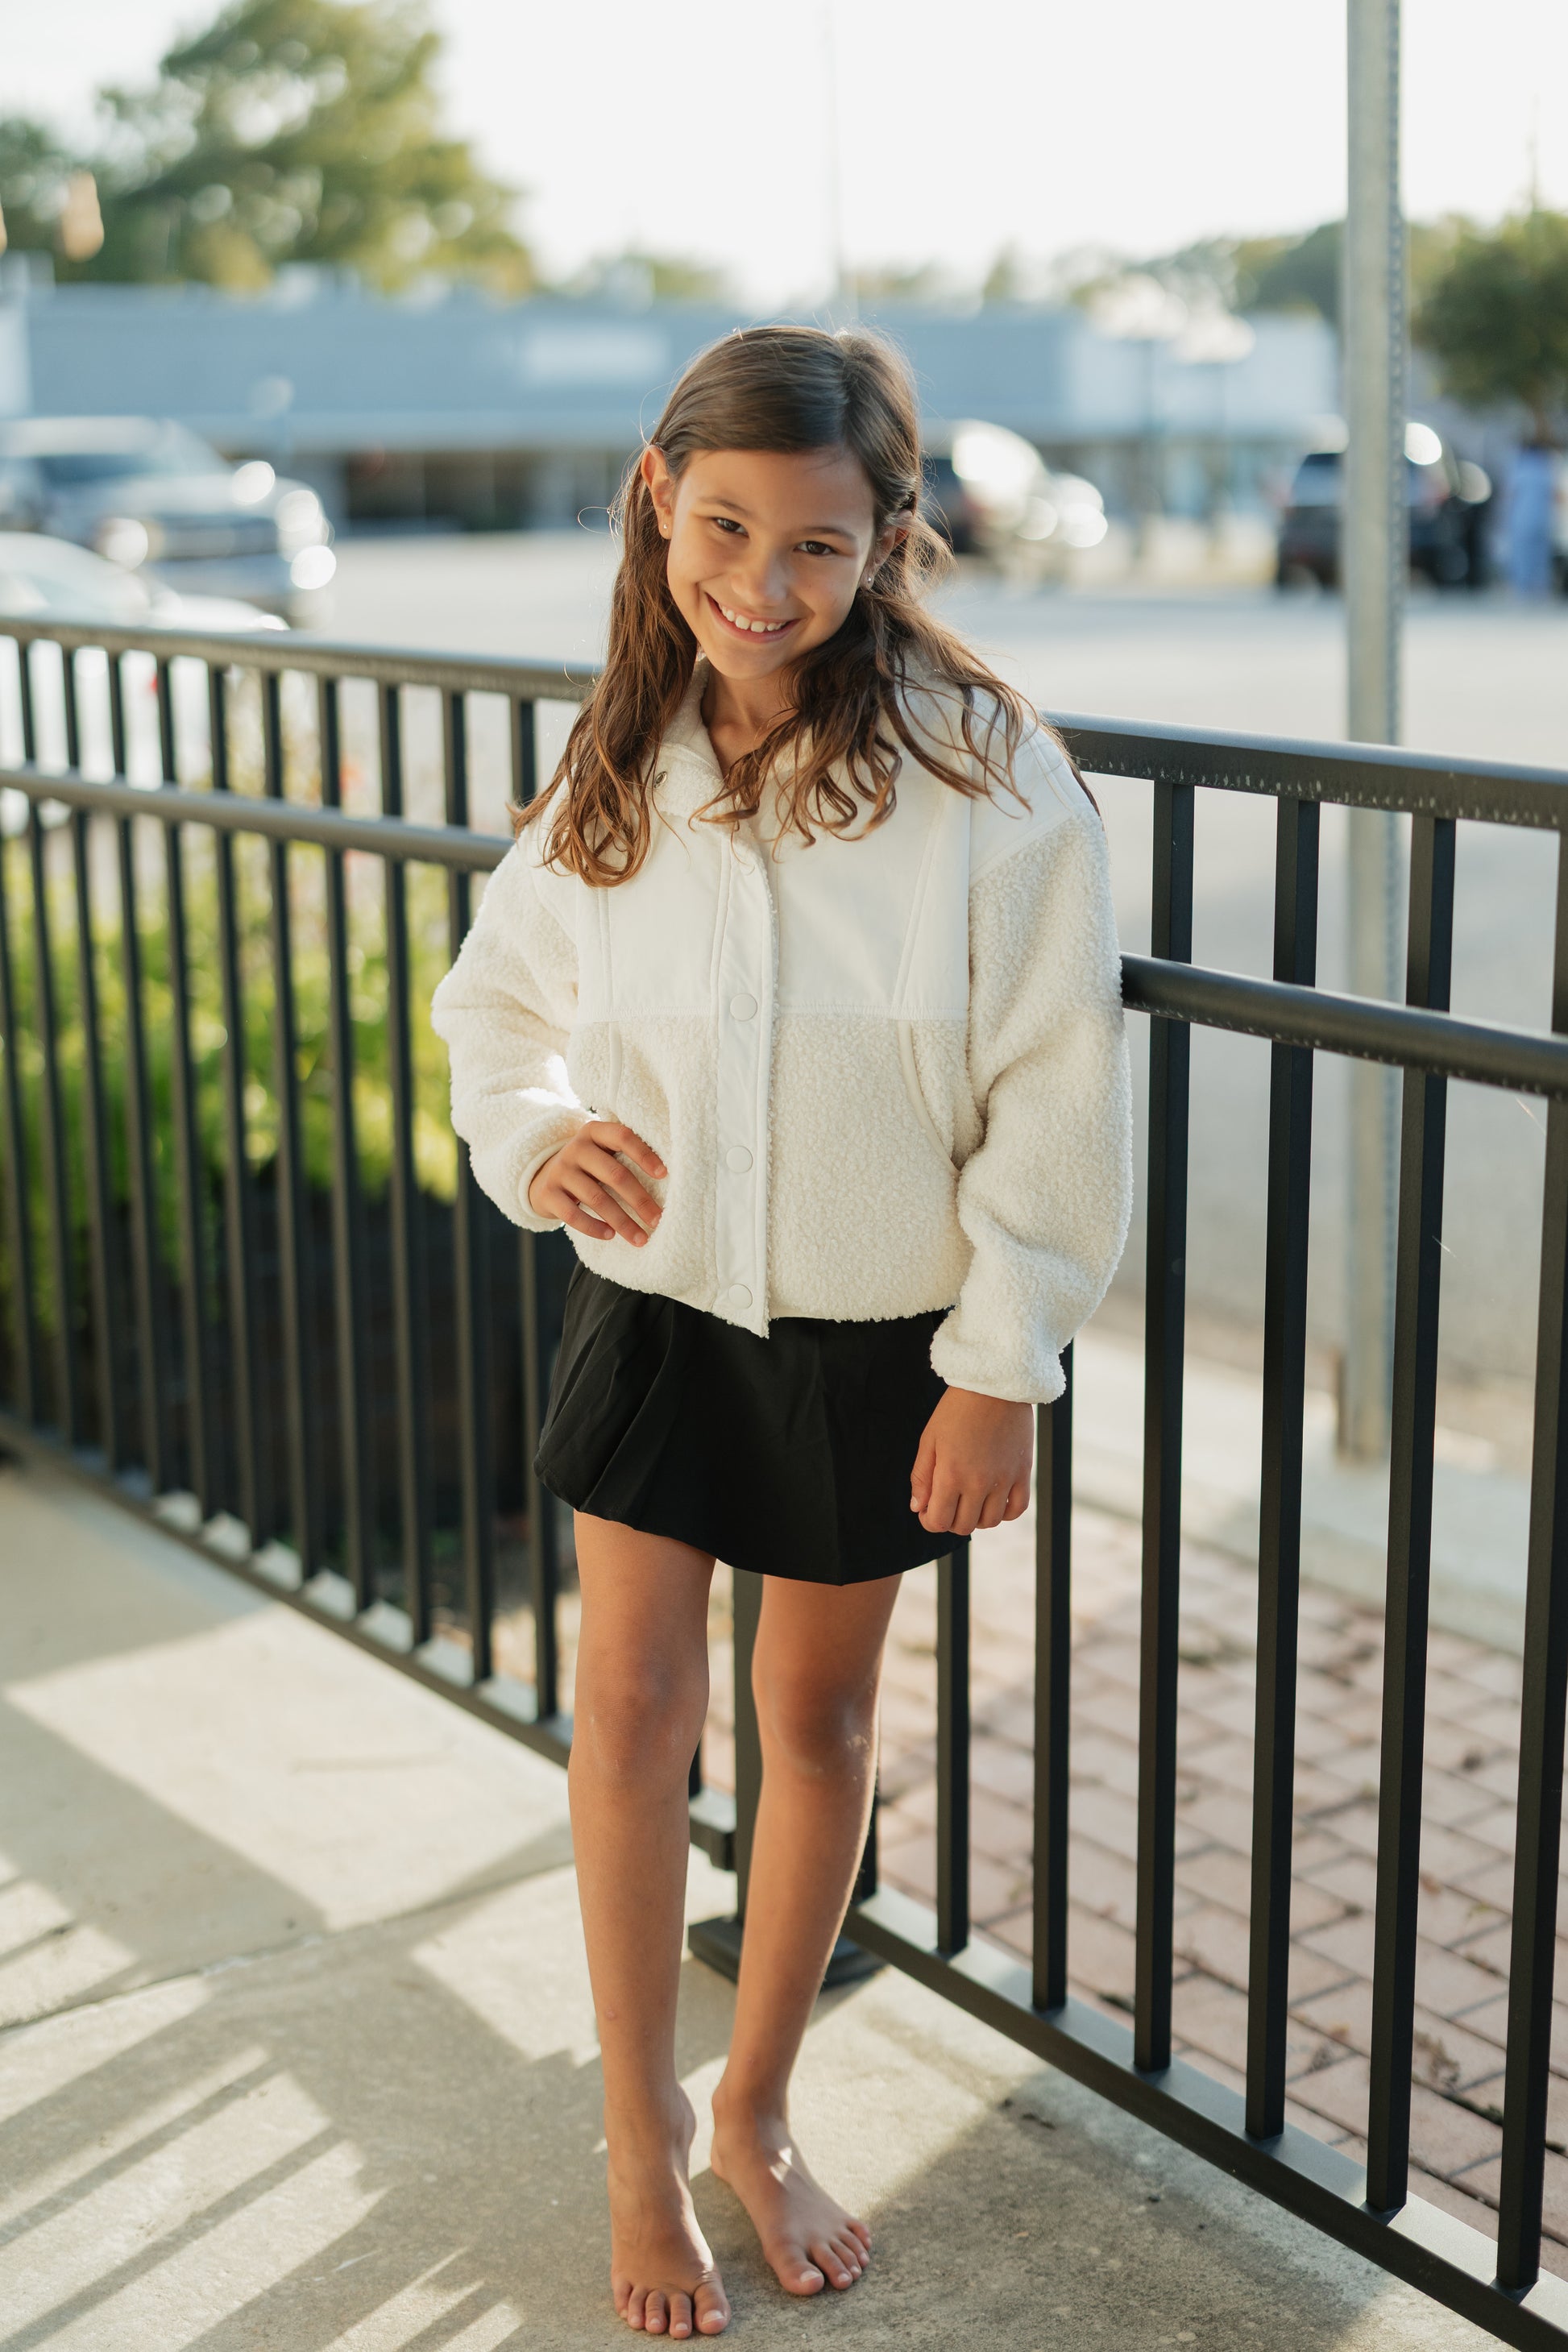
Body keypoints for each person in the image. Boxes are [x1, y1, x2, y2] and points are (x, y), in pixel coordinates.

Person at [432, 324, 1133, 2339]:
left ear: (888, 540)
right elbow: (499, 1007)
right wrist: (539, 1132)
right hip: (652, 1314)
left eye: (817, 546)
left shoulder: (989, 775)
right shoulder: (622, 761)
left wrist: (1003, 1357)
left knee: (812, 1727)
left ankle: (753, 2102)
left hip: (875, 1336)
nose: (762, 582)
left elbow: (1058, 1088)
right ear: (660, 498)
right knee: (631, 1714)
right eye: (725, 527)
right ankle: (637, 2138)